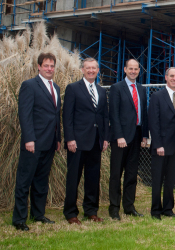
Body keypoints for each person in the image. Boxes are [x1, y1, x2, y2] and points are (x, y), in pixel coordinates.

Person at [12, 52, 61, 231]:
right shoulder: (29, 85)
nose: (49, 69)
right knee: (24, 181)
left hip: (49, 143)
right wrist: (29, 139)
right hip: (33, 143)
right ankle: (19, 219)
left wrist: (58, 139)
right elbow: (24, 115)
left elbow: (56, 117)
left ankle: (38, 214)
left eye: (52, 66)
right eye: (46, 66)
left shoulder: (56, 87)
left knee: (41, 181)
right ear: (39, 67)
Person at [62, 58, 110, 225]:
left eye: (94, 68)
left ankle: (91, 211)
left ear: (98, 71)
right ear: (82, 69)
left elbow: (104, 116)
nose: (91, 71)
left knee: (93, 178)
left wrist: (105, 138)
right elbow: (67, 116)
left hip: (96, 142)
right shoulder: (73, 88)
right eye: (88, 68)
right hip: (77, 142)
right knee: (73, 178)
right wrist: (70, 139)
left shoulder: (101, 91)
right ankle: (70, 213)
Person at [108, 59, 149, 220]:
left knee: (131, 174)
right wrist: (119, 136)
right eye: (130, 68)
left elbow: (143, 114)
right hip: (121, 138)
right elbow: (114, 114)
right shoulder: (116, 88)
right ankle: (114, 208)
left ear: (139, 70)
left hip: (137, 136)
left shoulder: (141, 89)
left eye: (136, 69)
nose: (133, 71)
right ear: (125, 69)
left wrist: (145, 135)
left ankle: (129, 207)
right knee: (116, 174)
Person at [148, 67, 175, 220]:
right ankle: (155, 211)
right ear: (166, 77)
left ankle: (168, 209)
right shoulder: (157, 96)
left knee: (170, 180)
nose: (174, 78)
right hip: (161, 146)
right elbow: (153, 122)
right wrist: (158, 144)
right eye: (171, 76)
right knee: (157, 179)